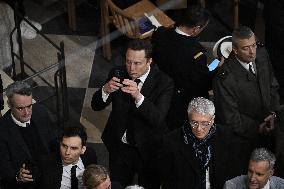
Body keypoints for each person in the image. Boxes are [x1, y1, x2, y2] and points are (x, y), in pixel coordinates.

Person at [91, 39, 174, 188]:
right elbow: (95, 106)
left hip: (148, 150)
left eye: (137, 63)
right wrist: (105, 90)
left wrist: (138, 96)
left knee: (148, 185)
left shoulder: (164, 82)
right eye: (128, 62)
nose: (131, 68)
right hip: (120, 148)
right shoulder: (117, 73)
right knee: (117, 184)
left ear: (149, 61)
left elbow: (158, 118)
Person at [213, 26, 282, 181]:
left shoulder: (262, 55)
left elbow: (272, 86)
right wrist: (258, 127)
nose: (252, 52)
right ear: (235, 50)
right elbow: (230, 118)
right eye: (246, 48)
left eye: (254, 45)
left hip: (272, 130)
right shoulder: (224, 78)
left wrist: (274, 114)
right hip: (244, 142)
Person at [151, 5, 212, 130]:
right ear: (196, 29)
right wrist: (218, 66)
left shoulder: (161, 33)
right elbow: (205, 83)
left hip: (162, 89)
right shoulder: (195, 55)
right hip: (183, 101)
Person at [0, 81, 58, 189]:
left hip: (51, 174)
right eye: (20, 108)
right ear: (9, 105)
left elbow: (53, 138)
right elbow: (4, 167)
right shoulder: (2, 130)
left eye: (29, 106)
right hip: (27, 185)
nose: (27, 113)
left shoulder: (40, 111)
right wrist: (18, 176)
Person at [159, 97, 224, 189]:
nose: (199, 128)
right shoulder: (171, 141)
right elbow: (165, 178)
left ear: (213, 119)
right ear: (188, 118)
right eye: (194, 122)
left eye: (204, 123)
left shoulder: (225, 137)